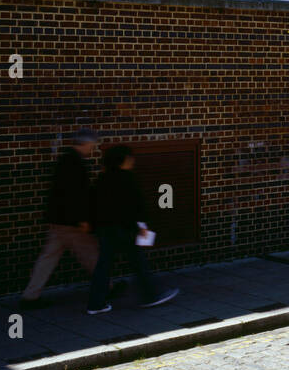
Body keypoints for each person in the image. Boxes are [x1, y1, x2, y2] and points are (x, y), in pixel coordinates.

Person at [87, 144, 178, 314]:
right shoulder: (127, 178)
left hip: (105, 228)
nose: (132, 160)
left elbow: (94, 205)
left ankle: (96, 303)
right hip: (124, 228)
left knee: (104, 266)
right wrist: (141, 226)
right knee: (137, 262)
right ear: (124, 160)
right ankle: (149, 296)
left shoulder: (102, 178)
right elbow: (135, 205)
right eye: (130, 157)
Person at [20, 128, 102, 310]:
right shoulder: (77, 163)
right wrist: (83, 219)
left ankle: (30, 295)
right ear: (87, 143)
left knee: (48, 257)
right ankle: (106, 286)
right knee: (90, 253)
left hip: (57, 219)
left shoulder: (64, 159)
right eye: (92, 145)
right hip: (71, 222)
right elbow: (77, 194)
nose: (93, 149)